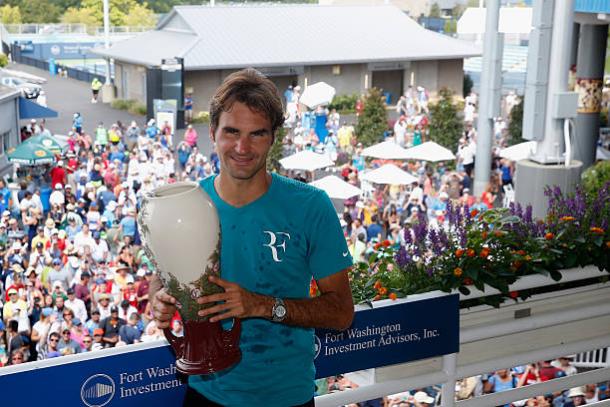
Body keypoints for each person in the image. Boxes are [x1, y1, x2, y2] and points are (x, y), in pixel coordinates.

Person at [151, 68, 354, 406]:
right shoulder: (186, 204)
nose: (242, 147)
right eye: (231, 132)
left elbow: (341, 312)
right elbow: (161, 278)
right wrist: (158, 298)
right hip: (205, 394)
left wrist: (260, 305)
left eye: (257, 134)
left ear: (273, 137)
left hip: (286, 397)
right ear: (212, 132)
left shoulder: (310, 206)